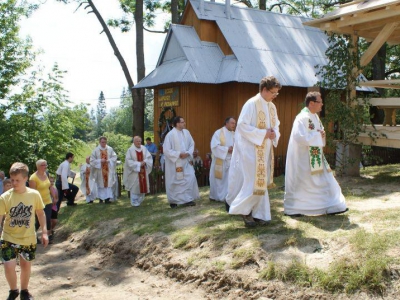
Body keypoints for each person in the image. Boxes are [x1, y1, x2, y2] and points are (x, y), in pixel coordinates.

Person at [228, 76, 281, 227]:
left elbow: (276, 125)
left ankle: (260, 213)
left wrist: (274, 133)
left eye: (276, 93)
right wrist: (263, 134)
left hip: (264, 151)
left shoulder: (272, 106)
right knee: (253, 181)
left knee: (261, 182)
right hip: (250, 150)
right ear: (264, 89)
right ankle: (243, 210)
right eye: (273, 93)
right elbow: (242, 126)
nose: (274, 96)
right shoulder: (251, 104)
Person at [284, 91, 348, 216]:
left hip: (315, 155)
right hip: (303, 158)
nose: (322, 105)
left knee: (326, 179)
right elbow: (299, 137)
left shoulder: (315, 117)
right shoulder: (301, 118)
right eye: (320, 102)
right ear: (312, 103)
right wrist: (317, 135)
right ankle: (297, 208)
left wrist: (322, 134)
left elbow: (319, 133)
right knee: (305, 183)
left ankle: (330, 206)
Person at [0, 162, 49, 300]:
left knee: (26, 265)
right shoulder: (5, 197)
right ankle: (13, 290)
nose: (14, 183)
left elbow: (40, 213)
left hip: (28, 237)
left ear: (26, 179)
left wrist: (44, 232)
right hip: (8, 236)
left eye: (18, 180)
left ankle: (24, 291)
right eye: (12, 180)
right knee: (8, 266)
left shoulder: (34, 195)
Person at [163, 116, 199, 208]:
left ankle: (187, 199)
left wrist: (187, 153)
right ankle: (174, 201)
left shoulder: (186, 133)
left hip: (186, 161)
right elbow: (166, 150)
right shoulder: (170, 135)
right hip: (175, 163)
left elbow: (192, 144)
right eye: (182, 122)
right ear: (177, 124)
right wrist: (178, 154)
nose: (184, 123)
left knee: (190, 177)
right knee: (176, 181)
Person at [209, 117, 236, 202]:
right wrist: (227, 149)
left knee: (230, 180)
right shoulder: (218, 133)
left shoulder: (234, 134)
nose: (234, 125)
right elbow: (214, 146)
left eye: (234, 123)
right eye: (232, 123)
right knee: (219, 180)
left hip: (231, 160)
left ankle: (228, 196)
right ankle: (216, 196)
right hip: (220, 161)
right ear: (226, 123)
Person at [123, 136, 153, 207]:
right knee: (135, 187)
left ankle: (140, 200)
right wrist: (138, 164)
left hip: (143, 171)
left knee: (142, 186)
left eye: (140, 141)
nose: (139, 142)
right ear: (134, 141)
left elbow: (149, 157)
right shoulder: (130, 150)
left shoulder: (144, 148)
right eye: (137, 141)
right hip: (135, 173)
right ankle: (134, 202)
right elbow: (128, 161)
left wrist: (145, 162)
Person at [29, 159, 53, 241]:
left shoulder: (47, 174)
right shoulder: (33, 178)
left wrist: (54, 196)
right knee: (39, 221)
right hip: (38, 202)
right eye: (43, 165)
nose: (45, 167)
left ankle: (49, 236)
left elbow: (50, 186)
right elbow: (32, 192)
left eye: (46, 165)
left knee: (48, 218)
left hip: (48, 200)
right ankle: (32, 234)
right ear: (38, 166)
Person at [90, 136, 118, 204]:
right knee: (100, 185)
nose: (104, 143)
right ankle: (101, 199)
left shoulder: (110, 149)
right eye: (102, 142)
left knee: (108, 185)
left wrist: (109, 161)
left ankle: (107, 199)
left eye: (105, 142)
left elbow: (114, 157)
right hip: (99, 171)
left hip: (108, 169)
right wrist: (100, 161)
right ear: (99, 142)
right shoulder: (96, 150)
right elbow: (92, 161)